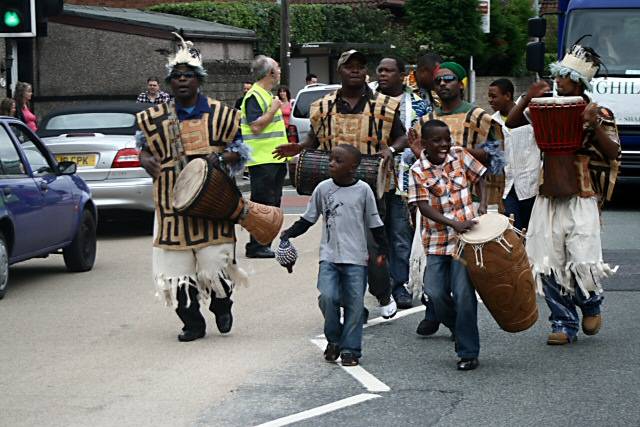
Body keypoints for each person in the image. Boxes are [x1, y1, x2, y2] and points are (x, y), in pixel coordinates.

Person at [273, 49, 408, 320]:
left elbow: (401, 137)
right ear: (340, 71)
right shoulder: (323, 107)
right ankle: (350, 302)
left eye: (360, 66)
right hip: (335, 189)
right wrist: (300, 146)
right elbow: (315, 137)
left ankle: (384, 292)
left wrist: (390, 151)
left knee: (372, 247)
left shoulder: (384, 105)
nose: (355, 70)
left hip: (373, 189)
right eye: (350, 66)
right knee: (341, 248)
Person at [137, 33, 251, 342]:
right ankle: (192, 323)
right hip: (171, 205)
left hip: (213, 202)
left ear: (198, 80)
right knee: (176, 270)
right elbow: (143, 147)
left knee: (216, 264)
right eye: (177, 76)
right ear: (170, 82)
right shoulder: (154, 118)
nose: (182, 80)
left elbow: (240, 151)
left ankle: (222, 304)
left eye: (188, 75)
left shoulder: (222, 114)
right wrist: (145, 157)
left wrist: (220, 158)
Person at [506, 43, 620, 345]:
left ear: (578, 81)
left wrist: (593, 124)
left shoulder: (599, 111)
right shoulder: (545, 108)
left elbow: (613, 152)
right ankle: (562, 323)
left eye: (563, 77)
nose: (557, 81)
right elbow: (512, 122)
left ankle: (591, 306)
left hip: (582, 193)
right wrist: (528, 97)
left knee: (582, 256)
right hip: (548, 193)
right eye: (557, 76)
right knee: (547, 258)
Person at [413, 61, 505, 337]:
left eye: (449, 79)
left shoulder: (480, 117)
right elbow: (414, 162)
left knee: (463, 286)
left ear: (461, 84)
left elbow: (497, 159)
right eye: (438, 80)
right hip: (434, 208)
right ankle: (441, 315)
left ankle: (464, 339)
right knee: (433, 281)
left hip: (468, 205)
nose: (442, 84)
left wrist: (491, 207)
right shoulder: (424, 120)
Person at [279, 144, 388, 367]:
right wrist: (289, 234)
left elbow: (375, 224)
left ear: (353, 168)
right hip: (329, 256)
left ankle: (350, 350)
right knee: (328, 297)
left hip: (356, 259)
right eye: (331, 159)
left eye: (338, 161)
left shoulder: (364, 190)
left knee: (355, 305)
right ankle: (334, 339)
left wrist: (383, 251)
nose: (331, 164)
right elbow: (308, 219)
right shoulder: (322, 188)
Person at [407, 119, 487, 370]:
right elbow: (422, 206)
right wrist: (453, 224)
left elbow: (481, 175)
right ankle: (455, 325)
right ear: (424, 144)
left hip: (465, 241)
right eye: (437, 140)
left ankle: (468, 351)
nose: (444, 144)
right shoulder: (418, 170)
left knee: (464, 294)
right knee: (435, 292)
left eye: (446, 139)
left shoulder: (460, 155)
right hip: (436, 242)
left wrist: (482, 204)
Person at [374, 56, 427, 308]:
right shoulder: (368, 99)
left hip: (402, 181)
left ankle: (399, 286)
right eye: (380, 70)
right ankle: (375, 285)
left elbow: (420, 141)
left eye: (389, 71)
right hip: (370, 179)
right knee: (373, 236)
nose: (383, 74)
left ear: (402, 74)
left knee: (399, 234)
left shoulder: (418, 106)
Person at [241, 56, 289, 259]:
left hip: (274, 158)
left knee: (272, 202)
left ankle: (264, 243)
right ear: (270, 73)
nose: (279, 71)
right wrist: (273, 109)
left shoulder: (266, 94)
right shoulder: (255, 95)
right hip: (262, 160)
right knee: (262, 204)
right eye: (277, 68)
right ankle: (257, 246)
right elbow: (256, 126)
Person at [487, 78, 539, 230]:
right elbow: (493, 159)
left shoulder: (529, 116)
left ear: (508, 96)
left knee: (532, 233)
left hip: (531, 184)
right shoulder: (491, 122)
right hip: (507, 188)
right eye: (489, 96)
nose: (490, 100)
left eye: (494, 96)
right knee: (513, 232)